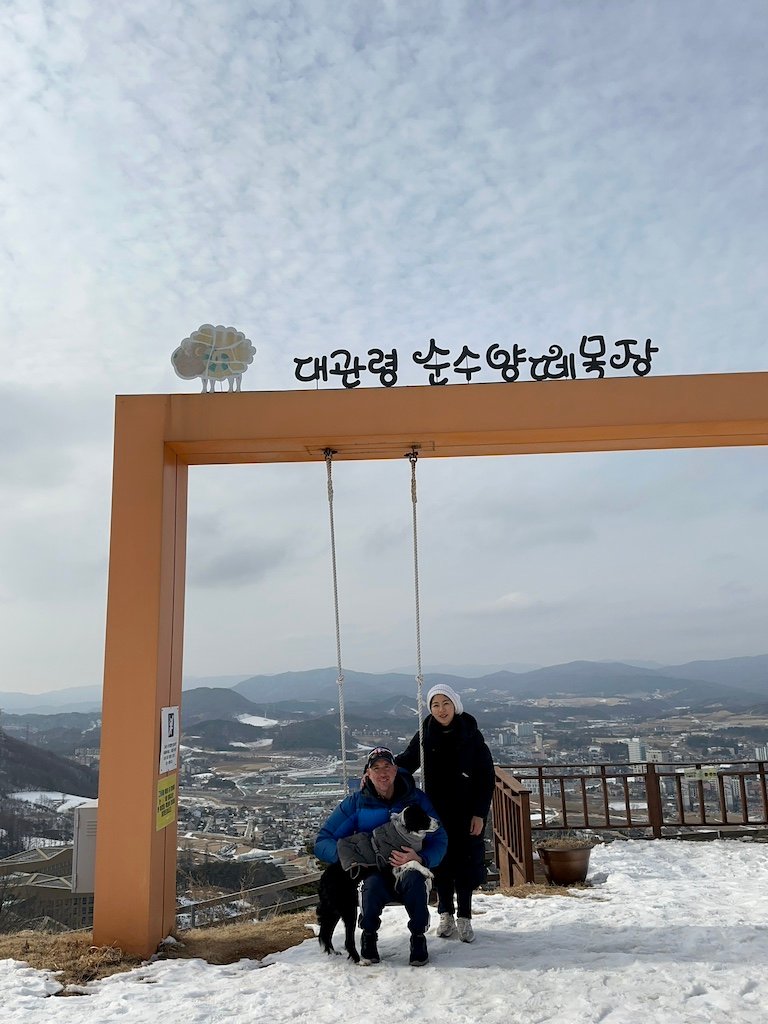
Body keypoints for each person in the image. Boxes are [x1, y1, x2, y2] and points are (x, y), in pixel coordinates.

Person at [315, 746, 447, 967]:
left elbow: (440, 837)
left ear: (395, 770)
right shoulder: (356, 803)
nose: (382, 773)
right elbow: (323, 841)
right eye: (376, 768)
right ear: (368, 773)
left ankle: (418, 938)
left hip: (407, 868)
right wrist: (352, 858)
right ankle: (368, 936)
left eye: (387, 766)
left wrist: (421, 858)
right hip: (373, 869)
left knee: (415, 880)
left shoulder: (415, 800)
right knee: (371, 885)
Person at [395, 684, 495, 943]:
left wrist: (479, 813)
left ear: (455, 705)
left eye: (445, 703)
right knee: (441, 863)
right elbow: (406, 762)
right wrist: (378, 768)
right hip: (436, 812)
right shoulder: (425, 734)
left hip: (466, 811)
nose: (441, 709)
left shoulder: (471, 734)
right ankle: (445, 913)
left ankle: (465, 916)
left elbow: (486, 776)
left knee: (466, 863)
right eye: (435, 704)